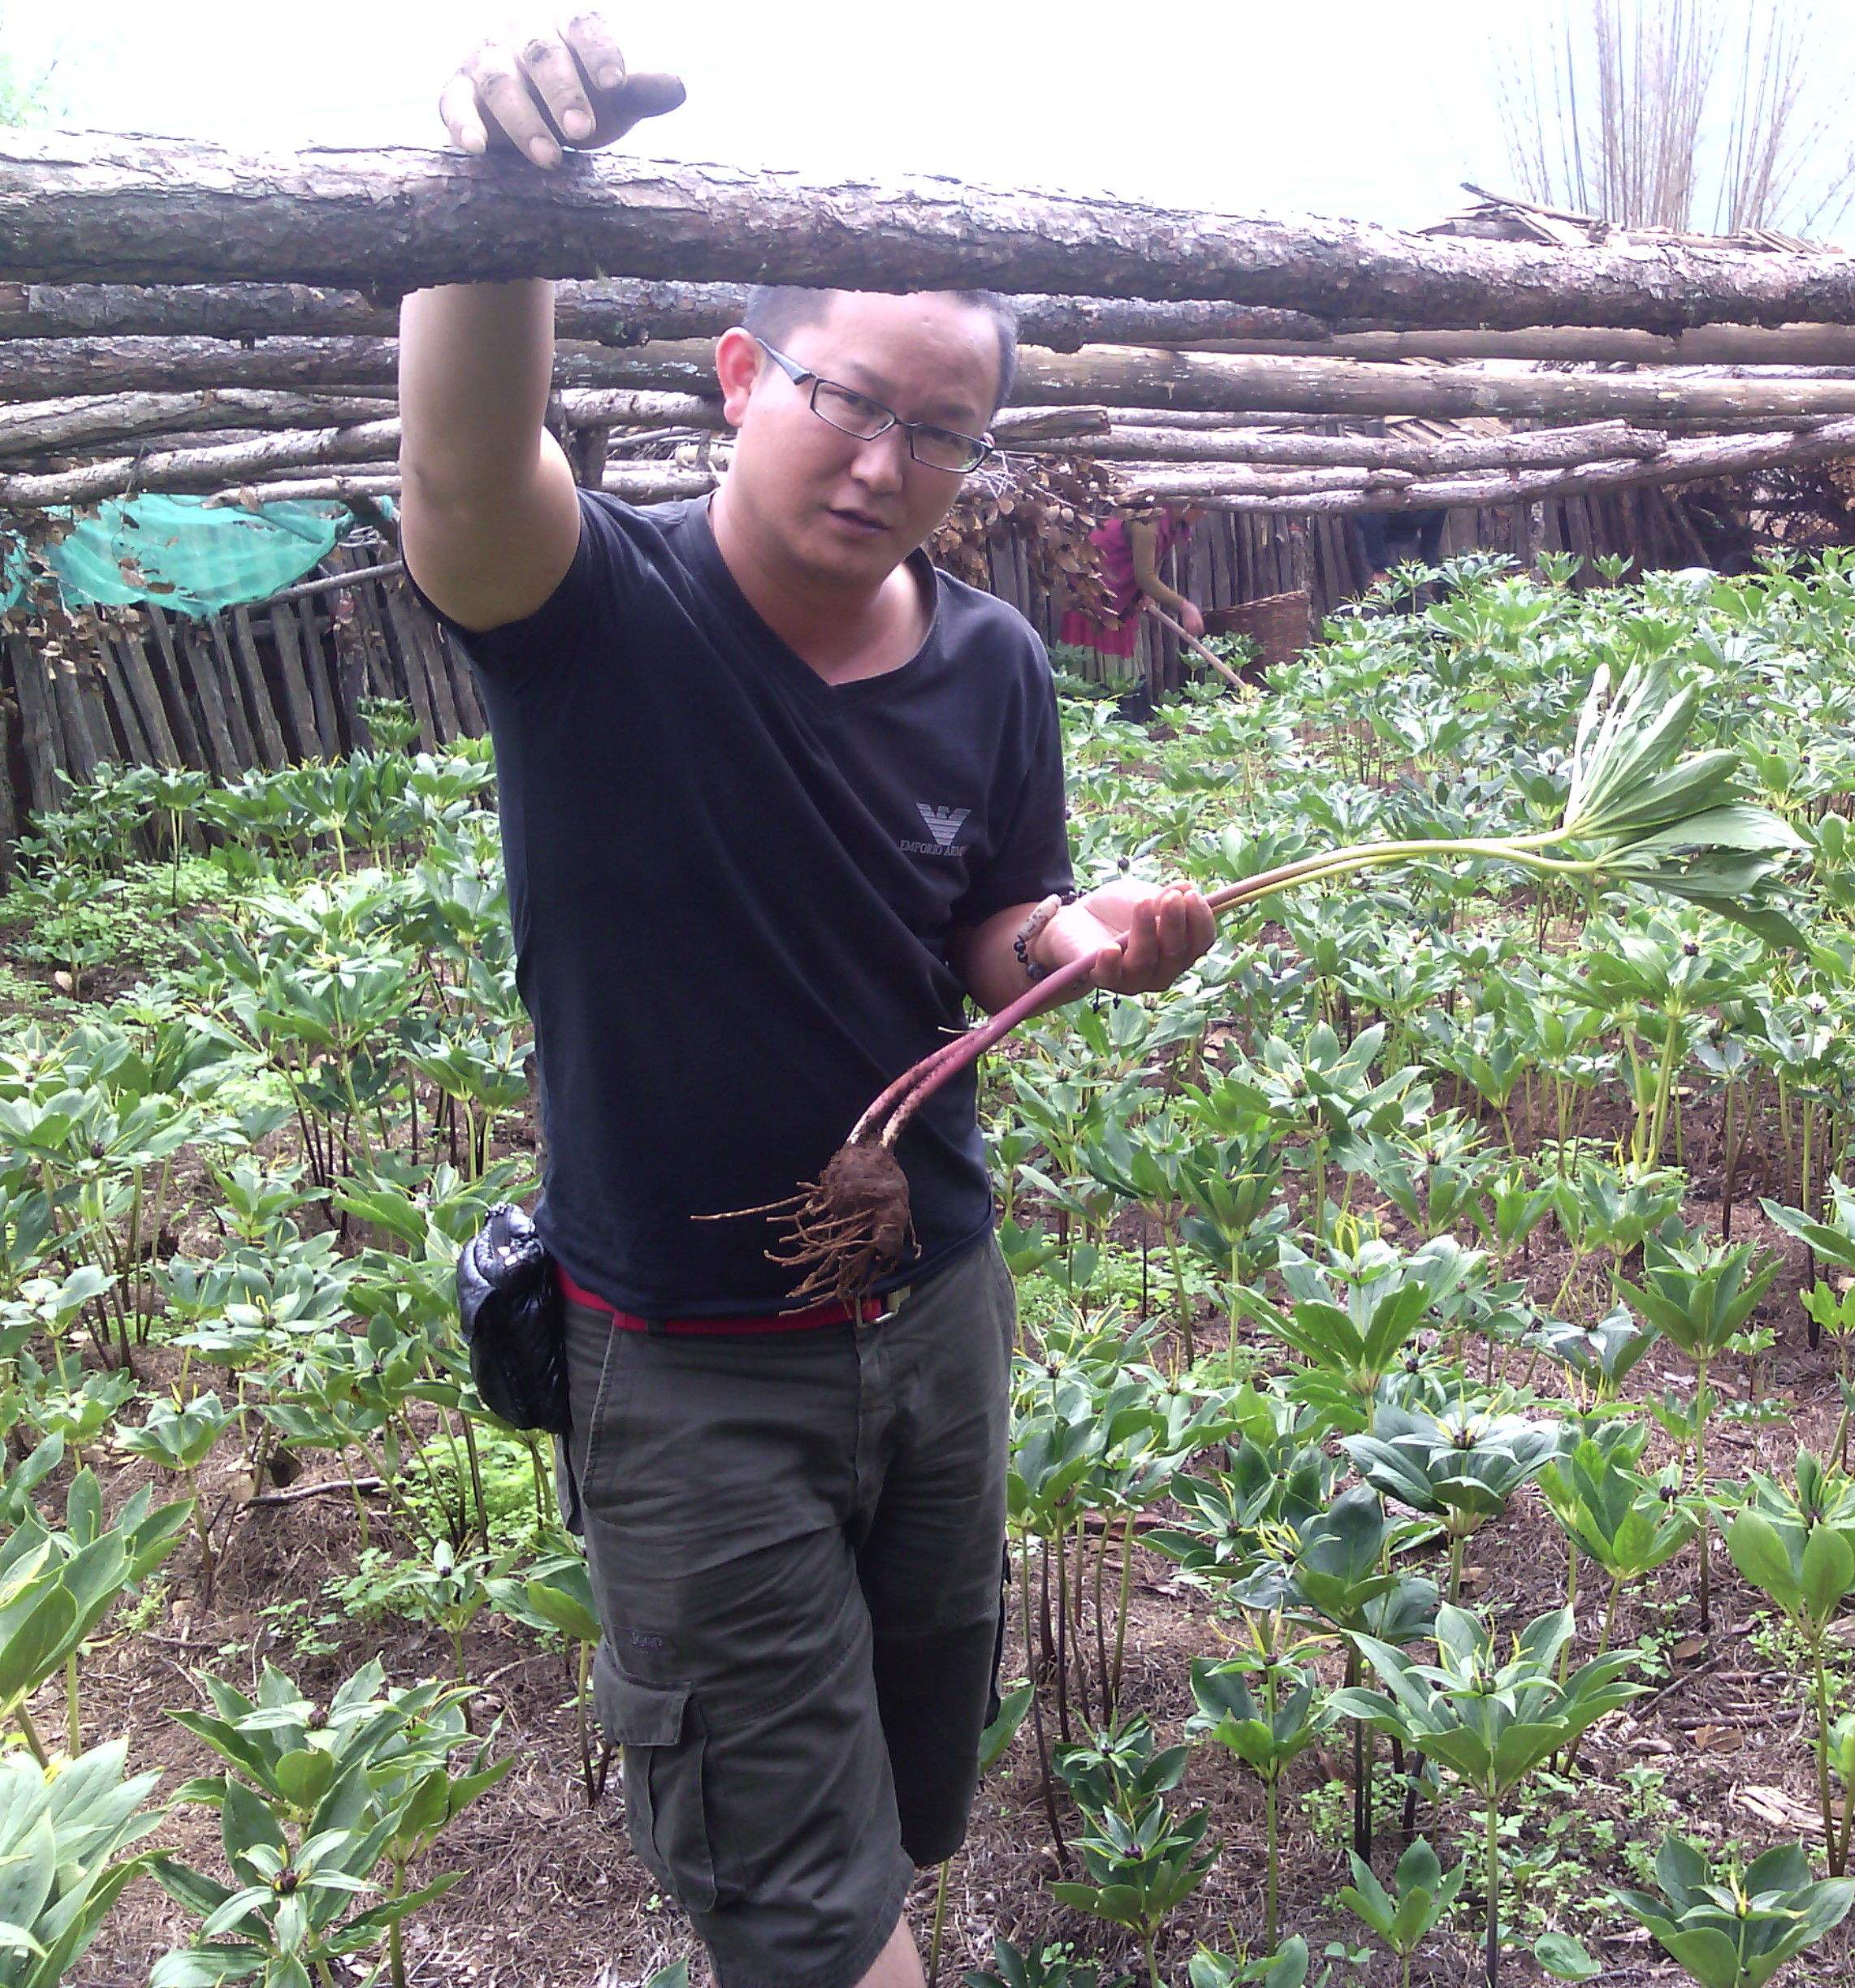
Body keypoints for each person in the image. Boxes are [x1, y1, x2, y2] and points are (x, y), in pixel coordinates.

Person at [401, 23, 1217, 1988]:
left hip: (934, 1308)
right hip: (688, 1359)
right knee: (814, 1914)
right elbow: (461, 467)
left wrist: (1090, 940)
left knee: (910, 1785)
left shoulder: (997, 661)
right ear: (741, 375)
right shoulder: (594, 611)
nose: (885, 464)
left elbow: (992, 934)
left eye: (941, 432)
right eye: (849, 403)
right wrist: (501, 210)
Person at [1057, 497, 1207, 658]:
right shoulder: (1148, 523)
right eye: (1203, 506)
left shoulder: (1173, 524)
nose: (1205, 513)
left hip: (1119, 589)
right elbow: (1145, 577)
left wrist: (1146, 594)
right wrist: (1184, 607)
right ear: (1186, 504)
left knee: (1118, 659)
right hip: (1095, 585)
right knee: (1092, 654)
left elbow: (1155, 558)